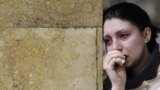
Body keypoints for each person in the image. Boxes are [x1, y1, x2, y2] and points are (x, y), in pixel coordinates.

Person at [103, 2, 160, 90]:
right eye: (107, 40)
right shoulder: (103, 78)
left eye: (123, 35)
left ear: (146, 35)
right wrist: (117, 86)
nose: (115, 47)